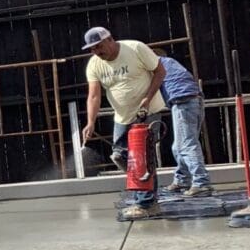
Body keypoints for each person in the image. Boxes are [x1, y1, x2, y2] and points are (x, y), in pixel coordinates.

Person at [78, 27, 166, 193]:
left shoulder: (135, 48)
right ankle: (145, 190)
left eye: (98, 46)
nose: (96, 51)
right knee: (120, 155)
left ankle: (146, 201)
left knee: (142, 156)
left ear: (110, 40)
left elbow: (160, 72)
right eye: (92, 48)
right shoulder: (94, 65)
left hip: (147, 112)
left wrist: (148, 98)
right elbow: (94, 96)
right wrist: (90, 122)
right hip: (122, 117)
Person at [153, 47, 211, 197]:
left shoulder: (155, 64)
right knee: (178, 146)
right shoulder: (170, 62)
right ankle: (182, 179)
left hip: (183, 101)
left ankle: (201, 183)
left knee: (186, 145)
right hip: (192, 99)